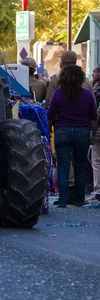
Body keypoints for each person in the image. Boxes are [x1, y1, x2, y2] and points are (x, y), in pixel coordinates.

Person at [47, 65, 97, 208]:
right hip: (82, 132)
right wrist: (93, 135)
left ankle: (63, 200)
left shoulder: (57, 94)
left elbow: (50, 115)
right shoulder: (87, 94)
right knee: (80, 167)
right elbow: (93, 117)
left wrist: (48, 130)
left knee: (63, 166)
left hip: (62, 132)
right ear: (81, 78)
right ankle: (79, 200)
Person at [89, 64, 100, 202]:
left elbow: (97, 114)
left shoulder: (96, 90)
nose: (92, 74)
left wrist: (93, 130)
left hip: (98, 132)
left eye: (94, 71)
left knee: (96, 161)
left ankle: (97, 190)